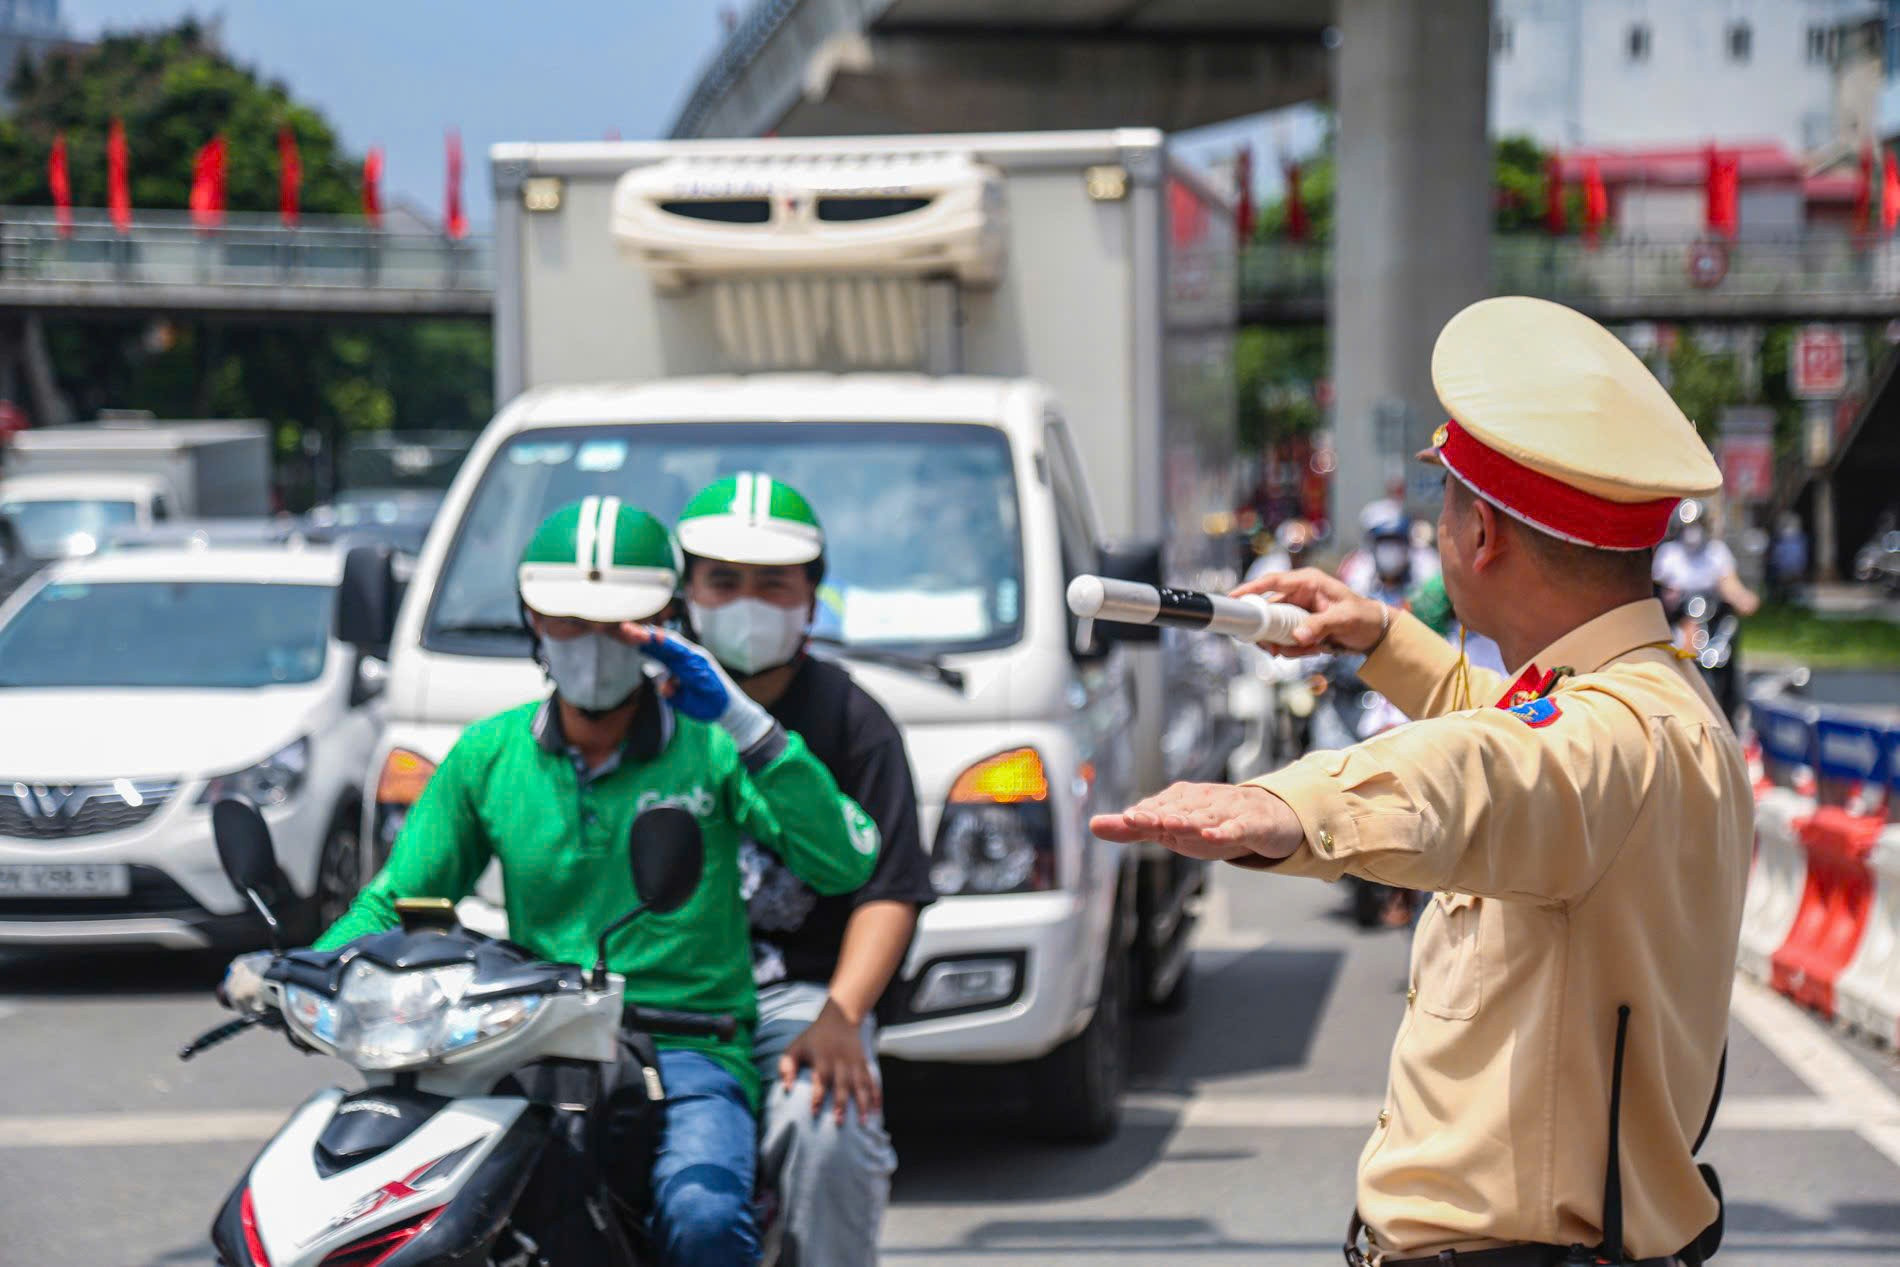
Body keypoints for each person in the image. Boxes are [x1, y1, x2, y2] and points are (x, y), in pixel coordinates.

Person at [1092, 296, 1749, 1265]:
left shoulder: (1612, 738)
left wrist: (1290, 803)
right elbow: (1510, 727)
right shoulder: (1649, 703)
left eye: (1443, 505)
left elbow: (1486, 767)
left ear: (1478, 534)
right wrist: (1381, 637)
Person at [223, 497, 882, 1267]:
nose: (591, 644)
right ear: (532, 619)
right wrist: (302, 969)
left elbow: (847, 859)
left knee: (702, 1216)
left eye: (617, 624)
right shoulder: (489, 755)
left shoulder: (714, 745)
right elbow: (394, 898)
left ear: (663, 622)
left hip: (689, 1048)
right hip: (523, 1042)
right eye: (568, 620)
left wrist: (745, 720)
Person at [675, 473, 936, 1267]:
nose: (746, 601)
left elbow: (889, 887)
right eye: (723, 581)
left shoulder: (855, 723)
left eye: (772, 584)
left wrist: (842, 1014)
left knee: (830, 1130)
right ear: (684, 591)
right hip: (662, 989)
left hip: (799, 993)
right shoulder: (643, 714)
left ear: (812, 600)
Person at [1652, 499, 1759, 618]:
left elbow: (1729, 584)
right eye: (1688, 526)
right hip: (1677, 615)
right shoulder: (1668, 553)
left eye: (1697, 525)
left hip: (1711, 613)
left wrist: (1743, 598)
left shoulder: (1717, 551)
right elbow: (1659, 588)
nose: (1692, 532)